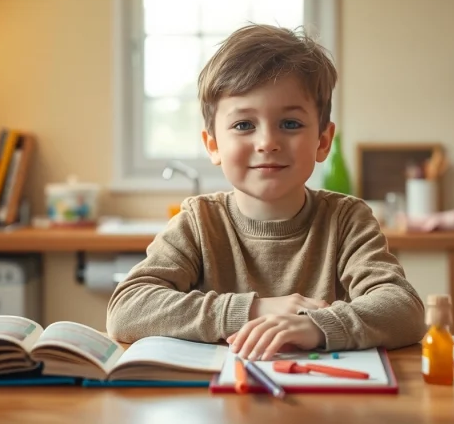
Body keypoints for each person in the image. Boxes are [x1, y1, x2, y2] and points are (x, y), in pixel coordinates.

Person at [106, 23, 426, 361]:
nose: (267, 143)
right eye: (244, 125)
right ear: (213, 145)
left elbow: (403, 308)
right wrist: (256, 309)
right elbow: (127, 308)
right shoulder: (199, 222)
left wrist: (317, 326)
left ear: (323, 141)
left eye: (290, 124)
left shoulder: (347, 220)